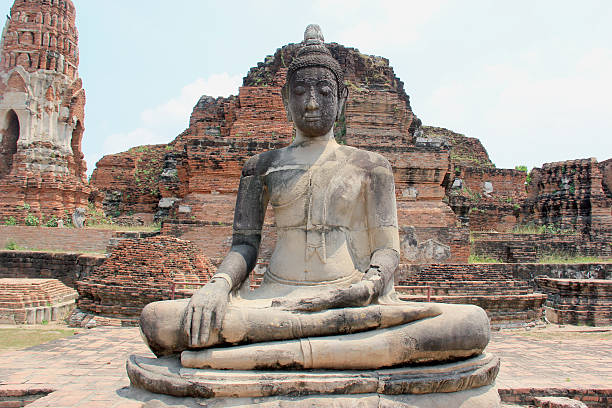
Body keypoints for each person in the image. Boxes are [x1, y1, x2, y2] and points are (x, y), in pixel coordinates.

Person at [140, 25, 490, 370]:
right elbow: (245, 245)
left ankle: (257, 353)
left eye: (324, 90)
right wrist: (217, 287)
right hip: (273, 299)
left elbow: (387, 250)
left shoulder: (372, 166)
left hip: (351, 299)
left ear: (342, 98)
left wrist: (368, 286)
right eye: (300, 91)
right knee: (158, 320)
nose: (311, 103)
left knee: (471, 325)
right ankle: (341, 351)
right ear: (284, 98)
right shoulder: (261, 166)